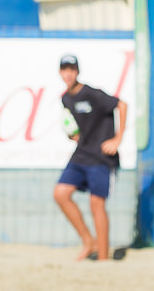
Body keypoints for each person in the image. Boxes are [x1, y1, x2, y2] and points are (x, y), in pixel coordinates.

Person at [53, 54, 128, 261]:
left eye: (72, 69)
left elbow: (122, 105)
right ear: (60, 73)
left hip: (102, 157)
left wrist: (117, 138)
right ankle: (88, 241)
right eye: (64, 70)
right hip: (82, 154)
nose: (68, 74)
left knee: (96, 203)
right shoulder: (65, 98)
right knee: (60, 193)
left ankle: (103, 258)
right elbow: (76, 128)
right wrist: (73, 134)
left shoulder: (92, 94)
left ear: (77, 72)